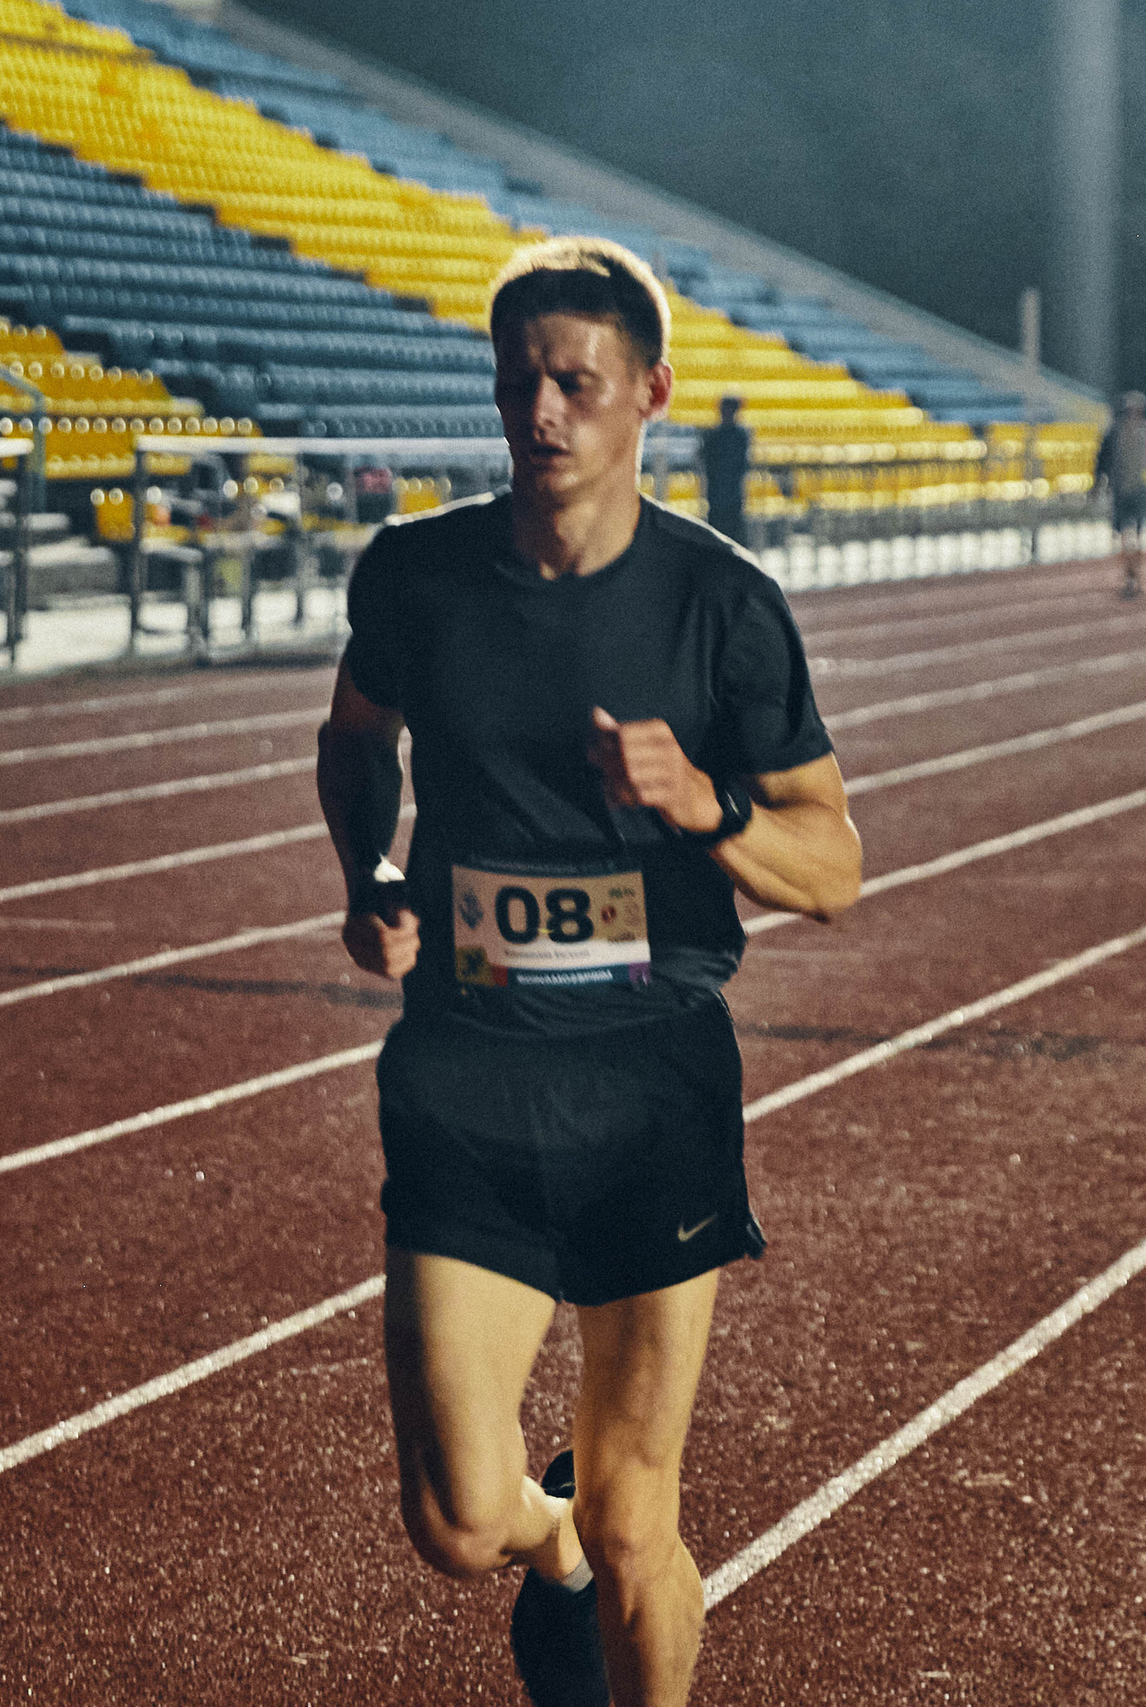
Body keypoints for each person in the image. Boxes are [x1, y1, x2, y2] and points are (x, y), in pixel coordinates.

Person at [317, 236, 862, 1707]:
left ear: (649, 396)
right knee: (459, 1520)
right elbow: (357, 733)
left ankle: (608, 1576)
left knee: (639, 1512)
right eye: (519, 384)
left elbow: (836, 864)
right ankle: (547, 1560)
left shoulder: (720, 607)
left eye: (576, 383)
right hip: (466, 1073)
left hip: (648, 1077)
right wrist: (368, 872)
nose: (541, 413)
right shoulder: (420, 575)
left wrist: (709, 809)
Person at [1093, 390, 1146, 598]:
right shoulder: (1144, 431)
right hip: (1129, 489)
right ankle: (1132, 575)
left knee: (1132, 535)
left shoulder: (1120, 432)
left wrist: (1098, 483)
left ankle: (1133, 576)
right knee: (1129, 535)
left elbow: (1103, 460)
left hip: (1133, 489)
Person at [697, 394, 751, 548]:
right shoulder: (714, 435)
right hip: (717, 493)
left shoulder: (739, 435)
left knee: (734, 537)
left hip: (732, 493)